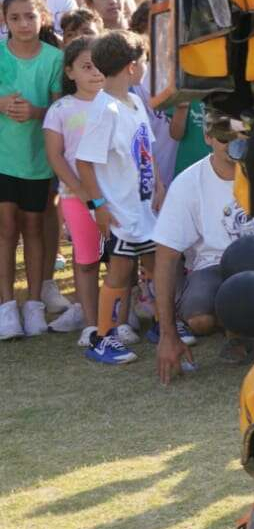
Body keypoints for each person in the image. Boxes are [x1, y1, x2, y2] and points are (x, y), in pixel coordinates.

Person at [150, 111, 254, 377]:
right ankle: (242, 330)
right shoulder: (188, 182)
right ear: (207, 137)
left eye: (241, 133)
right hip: (214, 267)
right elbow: (165, 254)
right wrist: (168, 334)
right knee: (198, 319)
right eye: (223, 136)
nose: (233, 143)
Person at [75, 31, 161, 366]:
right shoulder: (104, 110)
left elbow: (146, 149)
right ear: (130, 66)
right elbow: (84, 162)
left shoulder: (135, 101)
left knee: (157, 265)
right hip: (122, 211)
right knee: (120, 273)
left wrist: (160, 185)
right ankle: (103, 337)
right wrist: (98, 206)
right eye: (141, 61)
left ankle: (162, 324)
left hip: (144, 207)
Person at [0, 0, 63, 340]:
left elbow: (60, 109)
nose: (23, 23)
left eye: (29, 16)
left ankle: (35, 303)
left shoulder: (54, 59)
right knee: (6, 228)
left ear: (43, 17)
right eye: (15, 17)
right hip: (3, 157)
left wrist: (37, 111)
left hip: (38, 159)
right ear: (5, 20)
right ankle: (7, 306)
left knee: (34, 226)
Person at [41, 36, 102, 343]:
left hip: (115, 197)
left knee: (121, 258)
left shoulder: (117, 104)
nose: (95, 72)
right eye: (86, 66)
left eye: (100, 65)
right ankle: (91, 324)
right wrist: (80, 189)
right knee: (87, 260)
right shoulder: (60, 109)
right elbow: (55, 155)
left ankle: (119, 318)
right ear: (70, 72)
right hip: (75, 198)